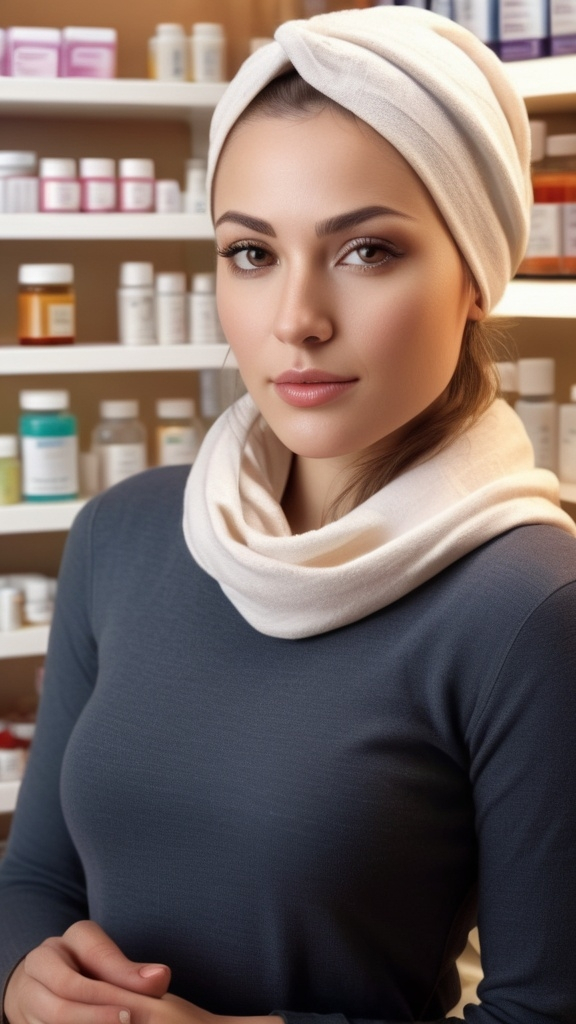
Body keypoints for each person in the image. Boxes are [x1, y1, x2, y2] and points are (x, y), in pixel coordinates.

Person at [1, 6, 576, 1024]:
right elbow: (35, 876)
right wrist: (23, 974)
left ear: (476, 279)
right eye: (252, 253)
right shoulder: (123, 536)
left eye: (366, 252)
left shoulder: (531, 607)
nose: (296, 319)